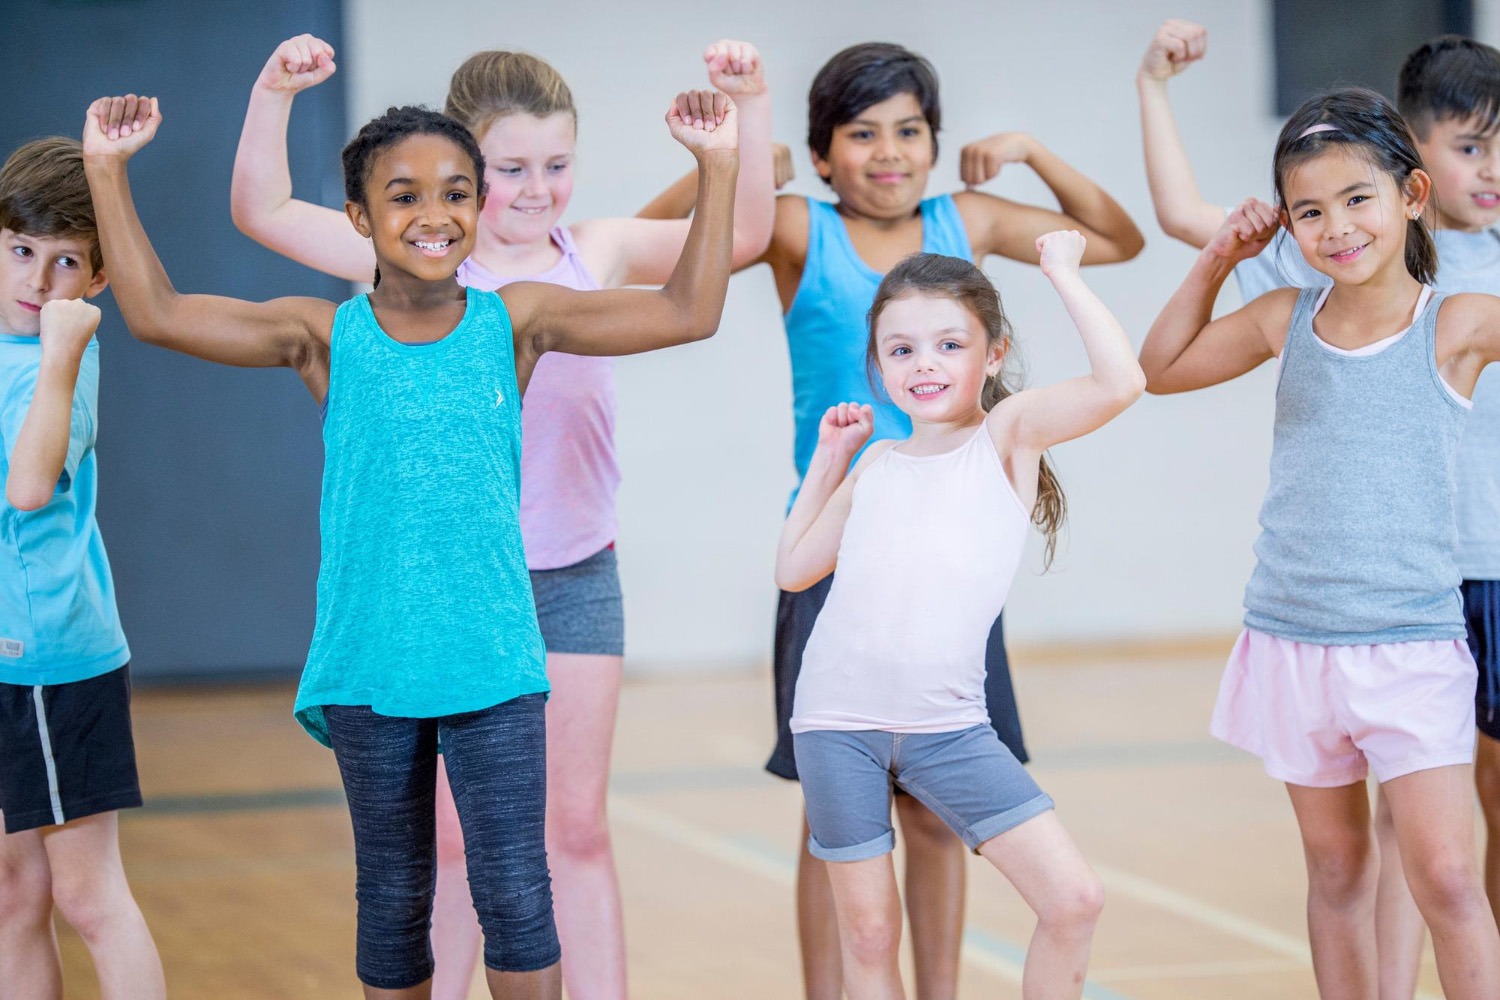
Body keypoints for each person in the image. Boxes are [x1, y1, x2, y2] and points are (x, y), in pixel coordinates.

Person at [82, 86, 740, 1000]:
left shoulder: (519, 319)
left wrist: (717, 164)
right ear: (359, 216)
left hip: (494, 661)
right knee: (394, 897)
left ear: (477, 206)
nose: (434, 215)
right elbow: (156, 312)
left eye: (457, 192)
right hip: (371, 662)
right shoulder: (322, 335)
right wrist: (107, 173)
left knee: (517, 896)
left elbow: (688, 310)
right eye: (404, 195)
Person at [754, 42, 1142, 999]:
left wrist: (1040, 183)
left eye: (909, 130)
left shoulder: (999, 409)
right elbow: (794, 566)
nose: (888, 151)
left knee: (957, 835)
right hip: (847, 588)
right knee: (849, 874)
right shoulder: (801, 231)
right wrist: (727, 158)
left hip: (944, 596)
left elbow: (1118, 275)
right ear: (821, 152)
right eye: (862, 132)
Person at [1139, 23, 1500, 997]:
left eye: (1356, 200)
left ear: (1408, 196)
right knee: (1338, 870)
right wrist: (1218, 256)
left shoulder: (1459, 323)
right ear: (1287, 227)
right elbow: (1159, 367)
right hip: (1294, 640)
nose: (1336, 227)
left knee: (1448, 874)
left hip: (1413, 644)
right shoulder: (1280, 318)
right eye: (1309, 212)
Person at [0, 136, 166, 1000]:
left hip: (52, 662)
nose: (37, 281)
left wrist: (64, 348)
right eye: (21, 251)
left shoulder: (64, 367)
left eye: (65, 262)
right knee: (12, 892)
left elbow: (28, 486)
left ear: (96, 280)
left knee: (87, 895)